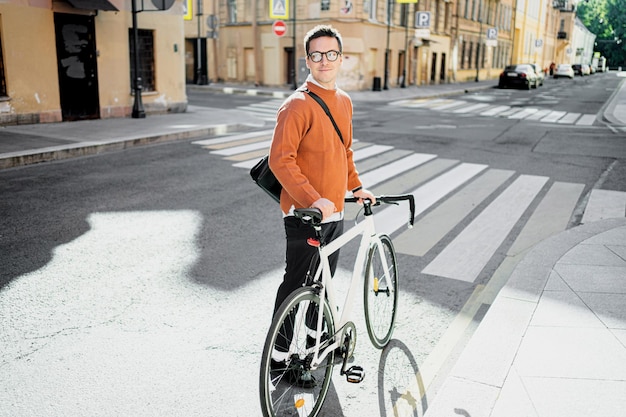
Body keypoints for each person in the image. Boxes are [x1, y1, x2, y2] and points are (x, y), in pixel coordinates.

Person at [268, 25, 375, 383]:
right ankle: (280, 359)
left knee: (324, 287)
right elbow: (280, 161)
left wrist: (356, 187)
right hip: (304, 215)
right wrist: (315, 200)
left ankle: (318, 350)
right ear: (307, 60)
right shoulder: (296, 105)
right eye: (317, 55)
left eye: (331, 54)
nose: (324, 61)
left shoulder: (344, 101)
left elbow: (344, 151)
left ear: (340, 59)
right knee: (298, 284)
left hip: (336, 213)